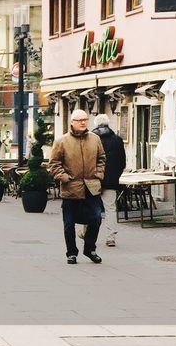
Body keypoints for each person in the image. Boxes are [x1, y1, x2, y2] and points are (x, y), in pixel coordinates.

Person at [48, 109, 106, 265]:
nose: (83, 122)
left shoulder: (95, 139)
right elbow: (53, 164)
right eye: (79, 120)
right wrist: (64, 177)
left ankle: (90, 249)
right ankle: (71, 253)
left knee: (96, 218)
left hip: (91, 187)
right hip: (71, 188)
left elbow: (101, 158)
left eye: (85, 120)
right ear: (72, 122)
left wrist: (98, 174)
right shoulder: (62, 141)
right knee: (69, 224)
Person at [92, 113, 126, 247]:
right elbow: (122, 162)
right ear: (108, 124)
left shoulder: (90, 139)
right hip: (111, 181)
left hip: (93, 180)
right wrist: (115, 175)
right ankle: (110, 237)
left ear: (95, 125)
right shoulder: (117, 140)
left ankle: (86, 232)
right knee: (110, 209)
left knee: (90, 207)